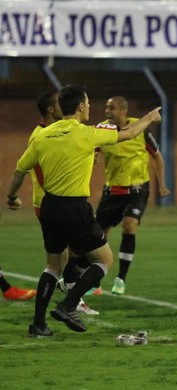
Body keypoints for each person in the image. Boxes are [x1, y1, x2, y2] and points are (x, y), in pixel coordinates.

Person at [7, 84, 162, 336]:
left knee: (53, 266)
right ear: (80, 106)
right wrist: (150, 117)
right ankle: (68, 305)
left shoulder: (42, 136)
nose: (91, 107)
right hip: (74, 207)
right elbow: (130, 133)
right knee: (104, 260)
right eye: (88, 103)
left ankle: (38, 325)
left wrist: (12, 196)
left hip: (49, 208)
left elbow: (19, 170)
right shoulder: (88, 133)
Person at [29, 90, 99, 315]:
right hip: (53, 201)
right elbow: (43, 171)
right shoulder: (42, 135)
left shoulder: (56, 132)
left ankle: (49, 314)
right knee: (77, 255)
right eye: (58, 103)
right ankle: (70, 300)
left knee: (66, 256)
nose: (63, 105)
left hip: (52, 202)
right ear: (51, 109)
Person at [95, 96, 170, 296]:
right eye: (106, 107)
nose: (106, 111)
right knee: (98, 236)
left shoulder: (140, 129)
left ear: (123, 111)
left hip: (137, 190)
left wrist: (161, 183)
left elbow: (156, 155)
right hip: (112, 191)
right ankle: (95, 281)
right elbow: (93, 150)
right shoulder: (101, 129)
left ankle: (121, 279)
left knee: (129, 226)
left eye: (111, 108)